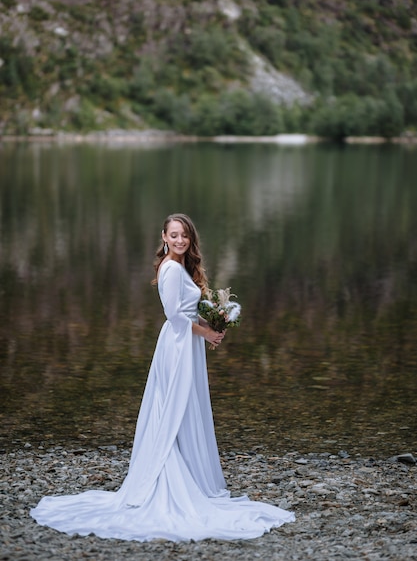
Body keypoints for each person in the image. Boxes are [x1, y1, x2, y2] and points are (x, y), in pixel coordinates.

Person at [30, 213, 295, 541]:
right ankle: (167, 474)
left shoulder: (180, 268)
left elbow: (187, 310)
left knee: (184, 407)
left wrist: (215, 322)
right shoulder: (170, 269)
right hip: (177, 344)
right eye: (174, 235)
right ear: (164, 237)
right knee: (172, 407)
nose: (180, 240)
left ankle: (187, 467)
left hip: (187, 343)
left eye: (184, 235)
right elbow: (174, 316)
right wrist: (208, 334)